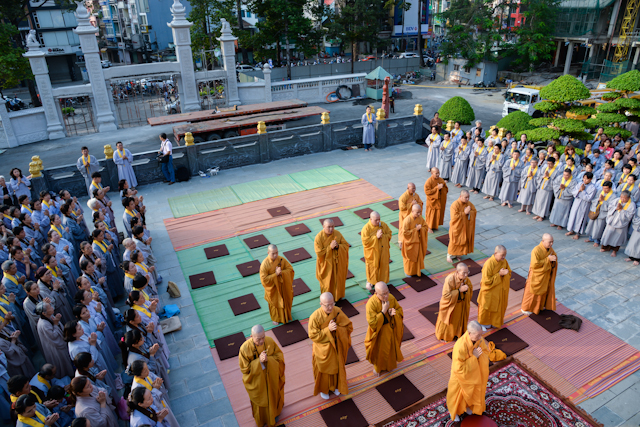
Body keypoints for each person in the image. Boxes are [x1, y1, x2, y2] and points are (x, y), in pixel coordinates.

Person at [308, 292, 352, 400]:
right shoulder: (314, 317)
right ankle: (324, 389)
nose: (330, 307)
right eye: (327, 305)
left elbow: (348, 326)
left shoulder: (337, 311)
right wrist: (328, 330)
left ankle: (336, 386)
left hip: (336, 346)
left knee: (337, 367)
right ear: (321, 304)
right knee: (324, 371)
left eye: (332, 304)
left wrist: (338, 329)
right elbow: (313, 335)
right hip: (323, 349)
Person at [238, 325, 285, 427]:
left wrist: (269, 360)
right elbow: (244, 369)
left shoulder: (269, 341)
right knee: (261, 401)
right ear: (251, 337)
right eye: (258, 339)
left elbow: (279, 356)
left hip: (271, 376)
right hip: (257, 381)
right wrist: (258, 361)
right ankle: (262, 419)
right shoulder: (244, 348)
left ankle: (275, 413)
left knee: (273, 394)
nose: (262, 341)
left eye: (263, 337)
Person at [446, 321, 490, 422]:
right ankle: (454, 411)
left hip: (475, 373)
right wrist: (474, 357)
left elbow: (485, 352)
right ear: (469, 333)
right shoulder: (460, 346)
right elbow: (459, 368)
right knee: (457, 395)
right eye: (478, 335)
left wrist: (478, 356)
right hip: (460, 376)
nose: (480, 337)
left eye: (481, 335)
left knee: (473, 391)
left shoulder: (479, 340)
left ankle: (469, 406)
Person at [364, 282, 403, 376]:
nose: (386, 296)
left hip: (390, 329)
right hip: (378, 333)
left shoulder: (391, 297)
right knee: (379, 352)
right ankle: (378, 368)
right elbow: (372, 323)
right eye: (383, 294)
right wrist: (383, 311)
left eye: (387, 292)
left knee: (390, 350)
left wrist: (394, 313)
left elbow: (399, 310)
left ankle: (390, 365)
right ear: (376, 293)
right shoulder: (371, 304)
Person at [130, 360, 179, 427]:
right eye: (145, 371)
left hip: (158, 401)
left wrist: (157, 381)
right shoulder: (137, 388)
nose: (148, 371)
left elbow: (152, 376)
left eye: (147, 368)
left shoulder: (145, 375)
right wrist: (155, 389)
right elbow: (151, 402)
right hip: (156, 404)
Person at [35, 302, 75, 378]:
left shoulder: (50, 316)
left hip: (59, 343)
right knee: (62, 362)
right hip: (55, 346)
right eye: (49, 307)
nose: (52, 308)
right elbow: (53, 336)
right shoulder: (44, 324)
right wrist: (56, 324)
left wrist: (57, 322)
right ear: (44, 313)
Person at [521, 234, 558, 315]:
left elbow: (554, 257)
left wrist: (553, 259)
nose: (551, 244)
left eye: (552, 242)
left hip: (545, 276)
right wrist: (548, 259)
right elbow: (535, 265)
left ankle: (538, 308)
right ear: (543, 241)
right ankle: (526, 308)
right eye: (550, 242)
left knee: (542, 293)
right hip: (536, 276)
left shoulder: (550, 249)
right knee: (531, 294)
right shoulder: (536, 250)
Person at [435, 263, 472, 342]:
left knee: (458, 320)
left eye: (467, 272)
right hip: (450, 305)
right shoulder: (450, 279)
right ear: (457, 272)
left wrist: (467, 289)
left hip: (460, 304)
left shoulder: (466, 279)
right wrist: (459, 291)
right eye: (464, 273)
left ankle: (457, 334)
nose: (466, 275)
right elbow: (446, 295)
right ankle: (444, 336)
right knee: (448, 321)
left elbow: (470, 289)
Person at [314, 219, 349, 301]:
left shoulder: (337, 234)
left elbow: (346, 245)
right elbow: (319, 253)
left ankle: (338, 296)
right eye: (328, 227)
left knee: (338, 280)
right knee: (327, 282)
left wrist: (338, 246)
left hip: (337, 264)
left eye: (333, 226)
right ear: (323, 226)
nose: (331, 229)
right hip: (326, 265)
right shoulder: (318, 238)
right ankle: (327, 298)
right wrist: (330, 247)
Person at [477, 246, 511, 330]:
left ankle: (495, 322)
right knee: (487, 307)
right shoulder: (489, 264)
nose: (504, 257)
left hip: (500, 291)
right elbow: (486, 281)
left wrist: (506, 273)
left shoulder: (504, 261)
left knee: (499, 306)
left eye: (505, 255)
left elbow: (508, 272)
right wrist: (499, 274)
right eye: (502, 255)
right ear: (496, 253)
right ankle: (484, 323)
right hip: (490, 291)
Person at [259, 245, 294, 325]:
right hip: (273, 288)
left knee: (285, 299)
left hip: (282, 285)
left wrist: (282, 272)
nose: (275, 255)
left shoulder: (281, 259)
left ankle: (286, 315)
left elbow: (290, 269)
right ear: (268, 253)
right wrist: (276, 274)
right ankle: (275, 318)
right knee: (274, 303)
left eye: (276, 253)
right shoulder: (264, 264)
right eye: (273, 253)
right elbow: (264, 280)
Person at [361, 211, 391, 292]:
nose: (378, 222)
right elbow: (365, 242)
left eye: (379, 219)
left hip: (383, 251)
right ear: (370, 219)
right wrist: (376, 237)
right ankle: (371, 281)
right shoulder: (366, 228)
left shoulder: (383, 225)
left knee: (383, 266)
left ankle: (382, 282)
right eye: (376, 220)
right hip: (372, 253)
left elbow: (389, 234)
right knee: (372, 267)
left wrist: (383, 236)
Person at [600, 191, 636, 256]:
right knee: (608, 234)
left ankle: (614, 250)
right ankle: (605, 247)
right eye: (621, 197)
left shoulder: (632, 205)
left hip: (621, 223)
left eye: (624, 198)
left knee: (617, 238)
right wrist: (616, 208)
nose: (622, 199)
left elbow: (629, 215)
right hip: (612, 221)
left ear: (629, 198)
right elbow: (610, 207)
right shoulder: (617, 200)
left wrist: (622, 210)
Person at [447, 191, 477, 264]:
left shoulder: (469, 204)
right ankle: (450, 255)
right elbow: (454, 217)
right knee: (454, 241)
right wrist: (465, 213)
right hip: (457, 227)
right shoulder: (455, 204)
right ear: (460, 196)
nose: (467, 199)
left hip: (465, 227)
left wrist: (470, 212)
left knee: (463, 240)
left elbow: (474, 211)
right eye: (466, 197)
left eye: (468, 197)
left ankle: (458, 254)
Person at [566, 172, 596, 239]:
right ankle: (571, 230)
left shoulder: (593, 188)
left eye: (587, 179)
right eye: (584, 178)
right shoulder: (580, 184)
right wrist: (579, 190)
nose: (585, 180)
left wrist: (583, 191)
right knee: (573, 216)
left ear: (590, 179)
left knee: (580, 218)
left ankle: (578, 233)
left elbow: (588, 198)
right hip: (576, 202)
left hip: (584, 205)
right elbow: (574, 192)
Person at [401, 204, 428, 276]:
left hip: (418, 243)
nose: (419, 214)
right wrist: (416, 230)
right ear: (412, 211)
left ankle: (416, 271)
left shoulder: (420, 218)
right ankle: (409, 272)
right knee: (410, 259)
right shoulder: (407, 220)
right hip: (409, 243)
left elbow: (425, 227)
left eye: (420, 212)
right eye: (417, 212)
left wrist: (421, 228)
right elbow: (405, 233)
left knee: (417, 257)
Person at [585, 181, 615, 246]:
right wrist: (598, 200)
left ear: (610, 188)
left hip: (603, 213)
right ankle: (590, 238)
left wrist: (603, 201)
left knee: (599, 228)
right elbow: (594, 199)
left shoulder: (613, 196)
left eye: (606, 188)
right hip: (595, 210)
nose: (604, 190)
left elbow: (611, 206)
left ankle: (597, 240)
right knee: (591, 225)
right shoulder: (600, 191)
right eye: (603, 188)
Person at [424, 168, 448, 233]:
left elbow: (446, 189)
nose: (438, 174)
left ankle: (434, 226)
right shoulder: (429, 181)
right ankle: (429, 227)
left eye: (438, 173)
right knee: (431, 214)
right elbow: (427, 192)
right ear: (432, 173)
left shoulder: (441, 180)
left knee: (437, 214)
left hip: (438, 200)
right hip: (432, 201)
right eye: (436, 173)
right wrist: (437, 188)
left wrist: (442, 188)